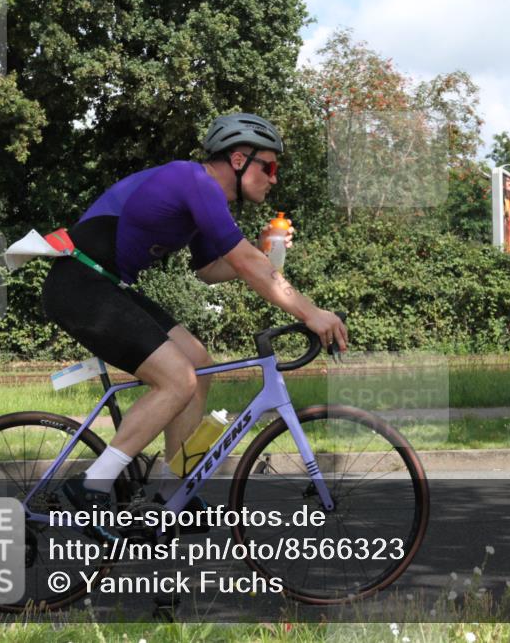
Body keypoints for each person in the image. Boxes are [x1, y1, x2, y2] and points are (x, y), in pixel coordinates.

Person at [40, 113, 348, 540]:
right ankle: (91, 485)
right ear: (238, 159)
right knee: (177, 378)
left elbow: (210, 270)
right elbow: (245, 264)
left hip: (106, 285)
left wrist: (262, 250)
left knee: (199, 364)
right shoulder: (193, 181)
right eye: (269, 166)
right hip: (80, 284)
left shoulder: (206, 197)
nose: (274, 178)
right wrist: (311, 312)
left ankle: (172, 496)